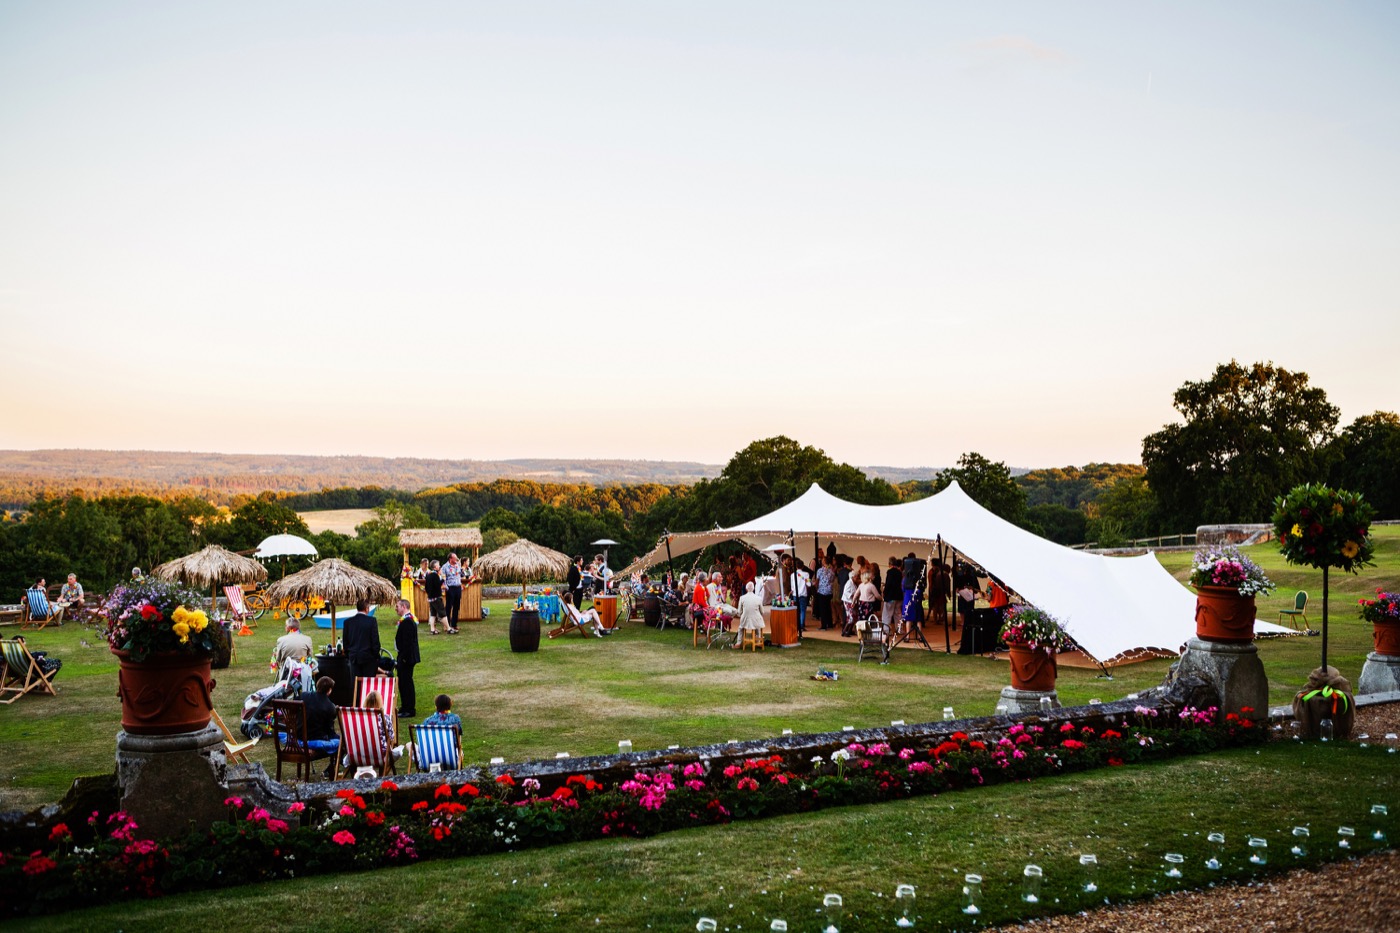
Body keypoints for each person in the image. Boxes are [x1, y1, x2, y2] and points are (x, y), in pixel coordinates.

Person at [303, 675, 339, 779]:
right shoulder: (330, 706)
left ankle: (333, 768)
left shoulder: (304, 696)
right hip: (315, 739)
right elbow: (329, 731)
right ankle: (331, 770)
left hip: (299, 737)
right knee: (342, 743)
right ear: (329, 690)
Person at [341, 599, 381, 680]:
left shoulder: (348, 622)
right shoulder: (371, 621)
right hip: (369, 657)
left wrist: (349, 654)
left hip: (354, 657)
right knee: (368, 684)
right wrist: (376, 655)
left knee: (356, 684)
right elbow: (375, 640)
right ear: (367, 608)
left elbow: (345, 641)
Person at [394, 598, 420, 718]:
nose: (396, 609)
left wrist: (403, 658)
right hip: (405, 656)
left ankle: (409, 708)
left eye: (398, 606)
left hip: (407, 658)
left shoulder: (408, 621)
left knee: (406, 683)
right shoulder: (407, 620)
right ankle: (405, 706)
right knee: (404, 682)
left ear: (404, 606)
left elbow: (408, 642)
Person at [423, 560, 447, 635]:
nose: (439, 566)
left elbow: (426, 587)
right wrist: (443, 579)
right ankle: (449, 628)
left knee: (433, 614)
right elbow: (437, 585)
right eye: (438, 565)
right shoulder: (435, 575)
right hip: (436, 597)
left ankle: (432, 629)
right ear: (434, 567)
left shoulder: (428, 574)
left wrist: (429, 594)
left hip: (430, 598)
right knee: (442, 613)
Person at [902, 552, 924, 623]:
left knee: (908, 619)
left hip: (908, 598)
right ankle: (919, 632)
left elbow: (903, 588)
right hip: (916, 597)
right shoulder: (918, 576)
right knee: (918, 619)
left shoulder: (905, 578)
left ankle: (908, 634)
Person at [814, 556, 835, 630]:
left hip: (821, 591)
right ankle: (830, 623)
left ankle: (823, 625)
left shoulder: (820, 570)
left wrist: (816, 587)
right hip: (829, 591)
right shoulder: (831, 571)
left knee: (822, 608)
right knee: (828, 607)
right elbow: (832, 580)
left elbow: (817, 580)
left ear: (824, 562)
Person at [883, 557, 903, 629]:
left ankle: (886, 629)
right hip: (898, 595)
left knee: (887, 613)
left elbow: (888, 584)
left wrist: (885, 592)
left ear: (889, 563)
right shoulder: (899, 572)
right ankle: (899, 629)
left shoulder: (890, 572)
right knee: (897, 613)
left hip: (890, 596)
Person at [792, 559, 811, 636]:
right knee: (803, 610)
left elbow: (792, 586)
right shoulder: (806, 574)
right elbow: (809, 584)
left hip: (795, 594)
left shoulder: (792, 575)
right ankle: (802, 625)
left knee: (797, 610)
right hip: (803, 594)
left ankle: (797, 624)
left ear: (796, 566)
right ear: (803, 566)